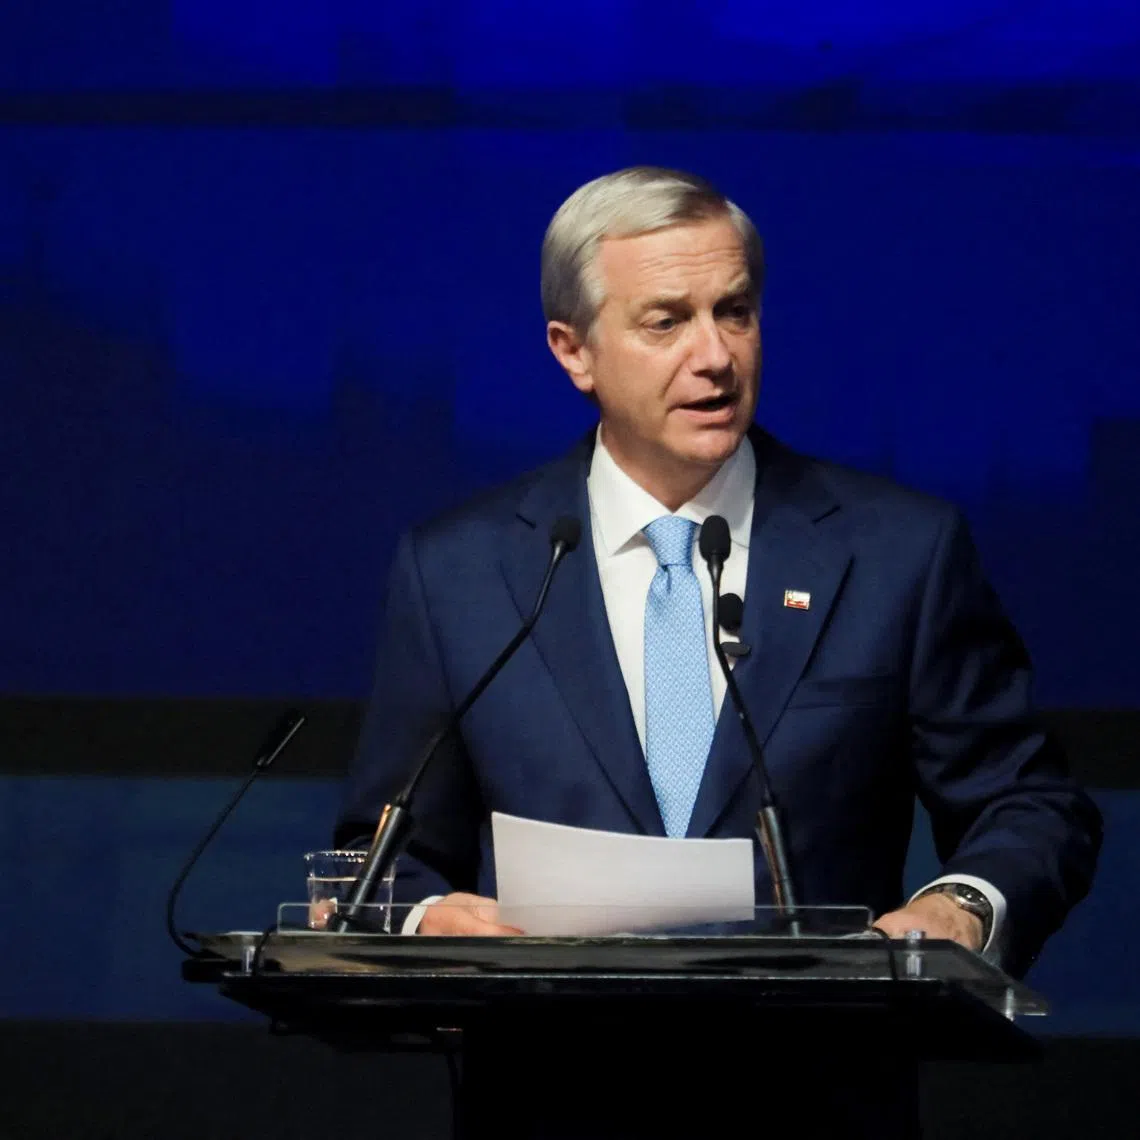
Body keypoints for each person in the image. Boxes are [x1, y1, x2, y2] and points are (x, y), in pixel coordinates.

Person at [336, 166, 1101, 1137]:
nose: (715, 357)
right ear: (573, 352)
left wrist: (963, 906)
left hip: (818, 1107)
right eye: (666, 322)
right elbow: (383, 857)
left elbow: (1029, 803)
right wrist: (420, 920)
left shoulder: (899, 552)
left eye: (733, 313)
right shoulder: (460, 571)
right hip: (551, 1104)